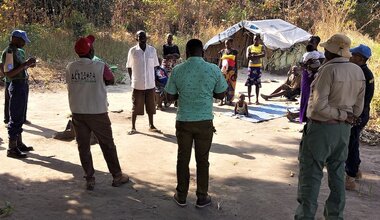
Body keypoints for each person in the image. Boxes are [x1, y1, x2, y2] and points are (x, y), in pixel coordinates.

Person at [295, 34, 366, 219]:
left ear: (331, 51)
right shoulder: (358, 71)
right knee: (337, 176)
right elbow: (358, 109)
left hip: (321, 129)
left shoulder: (328, 70)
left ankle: (305, 216)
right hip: (343, 131)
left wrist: (339, 114)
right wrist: (345, 116)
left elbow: (319, 106)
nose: (324, 50)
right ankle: (335, 216)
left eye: (327, 49)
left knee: (311, 177)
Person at [165, 39, 227, 208]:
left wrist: (181, 95)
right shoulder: (213, 69)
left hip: (184, 121)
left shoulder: (178, 70)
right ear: (203, 53)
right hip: (205, 122)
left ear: (186, 52)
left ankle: (181, 195)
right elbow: (222, 94)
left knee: (182, 159)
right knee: (202, 160)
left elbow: (169, 97)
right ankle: (202, 197)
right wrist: (208, 92)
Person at [66, 35, 129, 190]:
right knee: (107, 144)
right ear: (90, 50)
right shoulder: (100, 66)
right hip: (97, 112)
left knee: (83, 146)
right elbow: (111, 80)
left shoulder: (70, 67)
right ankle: (117, 176)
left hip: (78, 111)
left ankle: (89, 178)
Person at [1, 30, 36, 159]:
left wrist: (27, 65)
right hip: (16, 86)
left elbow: (18, 68)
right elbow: (8, 73)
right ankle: (12, 148)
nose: (24, 43)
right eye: (22, 41)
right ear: (15, 39)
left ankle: (19, 143)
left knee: (20, 115)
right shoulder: (9, 52)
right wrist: (26, 64)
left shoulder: (17, 51)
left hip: (22, 84)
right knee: (15, 116)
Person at [345, 44, 375, 190]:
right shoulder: (365, 72)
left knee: (351, 144)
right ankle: (356, 171)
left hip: (358, 114)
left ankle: (350, 177)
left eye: (353, 55)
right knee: (353, 141)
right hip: (363, 112)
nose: (350, 57)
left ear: (360, 58)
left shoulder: (360, 74)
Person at [126, 30, 161, 135]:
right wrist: (132, 79)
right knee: (135, 106)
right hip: (138, 84)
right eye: (139, 36)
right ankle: (133, 127)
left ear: (146, 38)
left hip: (150, 84)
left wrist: (155, 80)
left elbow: (155, 66)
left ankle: (151, 125)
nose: (142, 37)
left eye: (143, 36)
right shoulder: (133, 51)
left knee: (151, 106)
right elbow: (129, 67)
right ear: (136, 38)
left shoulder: (152, 51)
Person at [299, 36, 325, 123]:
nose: (310, 44)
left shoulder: (320, 55)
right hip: (306, 78)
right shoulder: (307, 54)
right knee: (304, 97)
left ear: (317, 44)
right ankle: (304, 120)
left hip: (313, 79)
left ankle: (309, 121)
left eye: (312, 43)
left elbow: (320, 67)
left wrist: (308, 66)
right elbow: (302, 65)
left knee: (311, 99)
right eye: (309, 42)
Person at [246, 35, 266, 105]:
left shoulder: (262, 47)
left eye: (257, 40)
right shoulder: (250, 47)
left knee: (257, 84)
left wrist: (254, 55)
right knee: (249, 84)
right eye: (254, 39)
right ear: (253, 40)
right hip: (251, 67)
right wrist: (258, 55)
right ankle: (249, 100)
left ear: (259, 40)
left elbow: (263, 55)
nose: (256, 41)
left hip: (258, 67)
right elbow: (248, 57)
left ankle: (257, 100)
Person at [218, 38, 238, 106]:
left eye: (228, 43)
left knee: (231, 86)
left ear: (231, 44)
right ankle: (221, 100)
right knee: (222, 86)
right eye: (226, 43)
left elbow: (236, 62)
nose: (226, 45)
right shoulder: (222, 51)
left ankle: (230, 101)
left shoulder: (234, 52)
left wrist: (236, 72)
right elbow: (220, 62)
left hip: (232, 72)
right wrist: (218, 70)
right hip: (224, 72)